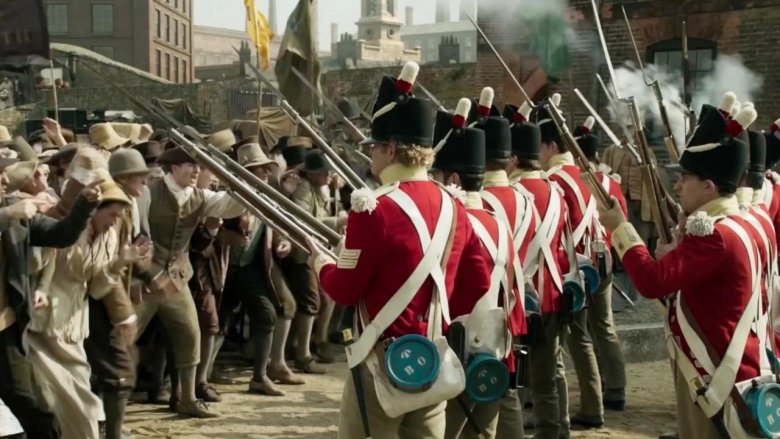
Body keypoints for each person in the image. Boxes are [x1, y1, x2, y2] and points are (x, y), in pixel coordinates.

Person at [307, 62, 491, 439]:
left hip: (381, 362)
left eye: (374, 147)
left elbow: (343, 290)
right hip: (433, 356)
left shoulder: (373, 208)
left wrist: (323, 263)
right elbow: (476, 285)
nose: (371, 155)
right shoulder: (456, 206)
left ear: (391, 149)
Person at [597, 102, 761, 438]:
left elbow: (651, 282)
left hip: (714, 369)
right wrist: (679, 254)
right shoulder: (746, 223)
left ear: (708, 187)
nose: (677, 185)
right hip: (736, 363)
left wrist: (620, 228)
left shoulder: (714, 235)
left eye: (685, 178)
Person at [431, 97, 523, 439]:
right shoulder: (497, 221)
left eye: (436, 175)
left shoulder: (452, 224)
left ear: (453, 177)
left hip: (456, 352)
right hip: (496, 349)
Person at [134, 145, 245, 418]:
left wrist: (236, 180)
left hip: (176, 279)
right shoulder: (148, 192)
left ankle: (186, 399)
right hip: (144, 280)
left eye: (199, 166)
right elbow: (133, 233)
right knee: (123, 339)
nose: (197, 171)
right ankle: (103, 406)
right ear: (173, 168)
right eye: (190, 165)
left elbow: (230, 206)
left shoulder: (200, 196)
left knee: (189, 336)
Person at [26, 170, 139, 439]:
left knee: (76, 399)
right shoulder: (67, 230)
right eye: (112, 214)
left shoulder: (109, 237)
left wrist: (121, 262)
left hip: (75, 324)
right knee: (73, 402)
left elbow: (98, 288)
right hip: (44, 324)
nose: (115, 222)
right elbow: (42, 264)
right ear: (95, 210)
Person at [535, 95, 608, 428]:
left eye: (540, 147)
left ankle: (574, 414)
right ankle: (591, 405)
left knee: (560, 347)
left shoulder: (554, 181)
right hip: (589, 263)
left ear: (549, 146)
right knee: (580, 338)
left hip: (568, 270)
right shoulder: (581, 173)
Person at [505, 101, 570, 439]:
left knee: (517, 380)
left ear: (513, 159)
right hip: (554, 294)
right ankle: (560, 428)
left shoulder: (513, 195)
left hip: (523, 301)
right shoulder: (555, 192)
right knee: (550, 373)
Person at [219, 142, 300, 394]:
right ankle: (199, 378)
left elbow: (273, 228)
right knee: (216, 323)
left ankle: (260, 376)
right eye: (259, 169)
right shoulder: (227, 195)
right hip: (223, 270)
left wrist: (283, 241)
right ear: (246, 172)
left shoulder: (266, 196)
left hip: (251, 268)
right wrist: (227, 236)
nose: (266, 173)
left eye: (266, 168)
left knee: (267, 315)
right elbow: (210, 229)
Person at [572, 116, 628, 411]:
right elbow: (623, 222)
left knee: (582, 330)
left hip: (579, 263)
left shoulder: (571, 181)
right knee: (604, 325)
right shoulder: (610, 183)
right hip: (604, 259)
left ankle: (595, 393)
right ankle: (615, 388)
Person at [282, 150, 346, 373]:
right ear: (313, 173)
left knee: (327, 298)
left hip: (317, 253)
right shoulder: (304, 188)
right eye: (325, 172)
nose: (329, 175)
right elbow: (303, 219)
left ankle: (317, 341)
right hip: (301, 255)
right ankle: (302, 354)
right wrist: (337, 221)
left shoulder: (323, 188)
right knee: (311, 302)